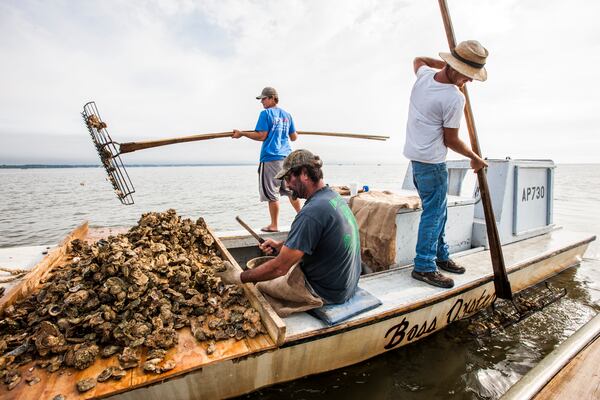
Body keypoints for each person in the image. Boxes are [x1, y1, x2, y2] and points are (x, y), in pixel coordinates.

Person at [216, 149, 362, 317]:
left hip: (327, 292)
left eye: (288, 178)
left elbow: (279, 268)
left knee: (260, 287)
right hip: (346, 285)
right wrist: (280, 246)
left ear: (304, 173)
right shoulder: (332, 198)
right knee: (273, 270)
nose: (286, 185)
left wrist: (239, 277)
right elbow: (316, 238)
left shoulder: (311, 213)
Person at [403, 40, 489, 289]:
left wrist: (451, 65)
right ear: (455, 67)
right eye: (469, 75)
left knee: (440, 212)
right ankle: (424, 266)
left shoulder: (424, 76)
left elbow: (418, 59)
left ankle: (441, 255)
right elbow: (450, 140)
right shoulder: (454, 98)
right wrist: (475, 157)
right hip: (432, 163)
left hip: (416, 162)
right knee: (434, 214)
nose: (470, 81)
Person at [232, 87, 301, 232]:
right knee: (290, 190)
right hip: (288, 158)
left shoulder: (265, 114)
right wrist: (286, 129)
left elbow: (261, 135)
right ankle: (302, 218)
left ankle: (274, 225)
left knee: (272, 192)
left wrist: (242, 134)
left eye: (263, 99)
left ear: (272, 98)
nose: (261, 102)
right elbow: (294, 137)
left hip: (271, 157)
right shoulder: (287, 115)